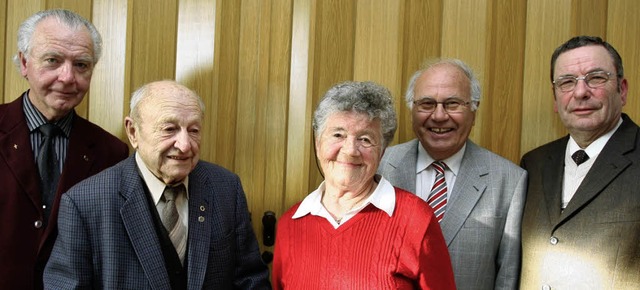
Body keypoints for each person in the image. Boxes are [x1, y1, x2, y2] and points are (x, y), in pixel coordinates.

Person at [43, 80, 271, 289]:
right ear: (133, 132)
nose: (184, 145)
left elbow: (251, 280)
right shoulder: (84, 203)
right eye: (169, 129)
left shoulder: (226, 188)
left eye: (193, 130)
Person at [272, 81, 456, 290]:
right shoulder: (291, 224)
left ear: (382, 151)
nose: (350, 150)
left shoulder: (416, 219)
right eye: (338, 135)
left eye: (365, 139)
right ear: (317, 142)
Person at [0, 9, 129, 290]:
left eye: (81, 65)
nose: (68, 77)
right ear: (24, 63)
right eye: (52, 60)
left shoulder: (112, 153)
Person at [377, 58, 527, 290]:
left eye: (453, 104)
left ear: (474, 111)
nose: (438, 116)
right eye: (427, 104)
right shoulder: (379, 166)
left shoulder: (509, 180)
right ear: (412, 111)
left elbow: (506, 279)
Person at [520, 36, 640, 289]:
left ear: (623, 89)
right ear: (555, 99)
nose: (581, 92)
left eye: (596, 78)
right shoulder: (534, 163)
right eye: (566, 82)